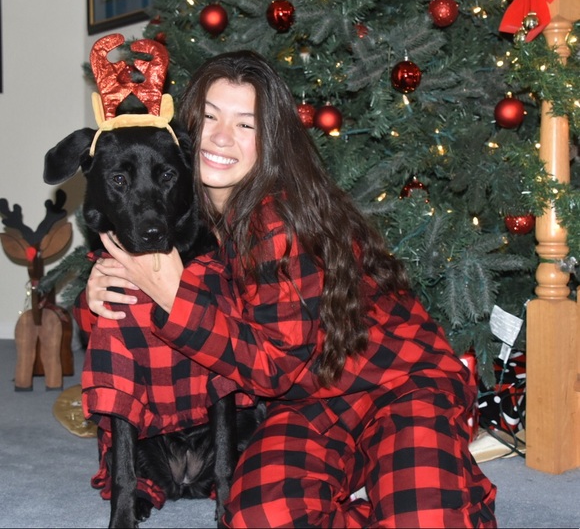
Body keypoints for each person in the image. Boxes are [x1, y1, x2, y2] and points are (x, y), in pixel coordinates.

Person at [78, 50, 497, 527]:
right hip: (309, 401)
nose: (221, 137)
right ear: (184, 132)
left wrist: (174, 296)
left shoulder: (278, 219)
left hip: (398, 383)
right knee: (259, 516)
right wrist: (96, 298)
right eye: (210, 117)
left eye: (245, 124)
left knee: (425, 517)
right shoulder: (175, 213)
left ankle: (434, 484)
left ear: (271, 139)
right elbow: (129, 334)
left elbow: (272, 368)